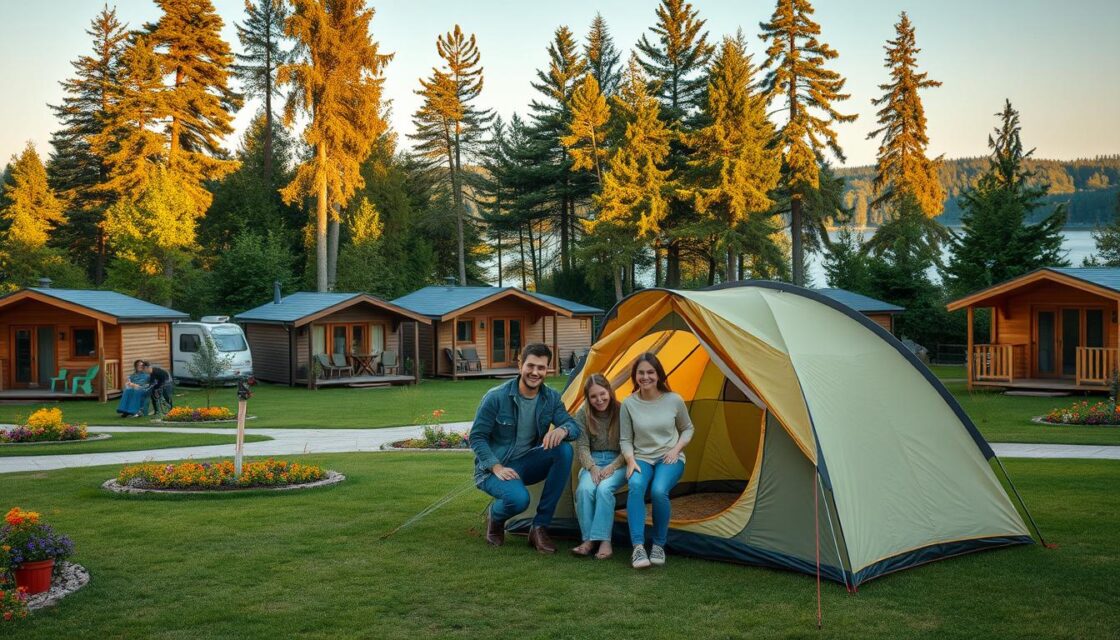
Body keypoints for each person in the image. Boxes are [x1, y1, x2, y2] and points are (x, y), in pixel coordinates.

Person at [470, 343, 581, 554]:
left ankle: (539, 527)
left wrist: (563, 430)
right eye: (530, 366)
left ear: (548, 369)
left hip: (527, 464)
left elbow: (574, 427)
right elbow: (477, 437)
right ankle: (496, 515)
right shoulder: (496, 397)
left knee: (564, 451)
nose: (535, 372)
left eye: (541, 367)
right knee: (519, 500)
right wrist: (496, 467)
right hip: (493, 469)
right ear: (520, 364)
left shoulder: (551, 398)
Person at [621, 352, 694, 569]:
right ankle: (638, 547)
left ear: (658, 374)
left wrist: (676, 449)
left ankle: (659, 544)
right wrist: (630, 460)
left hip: (669, 457)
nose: (645, 377)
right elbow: (625, 439)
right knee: (635, 485)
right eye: (641, 373)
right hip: (641, 458)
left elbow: (688, 428)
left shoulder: (674, 399)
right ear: (635, 376)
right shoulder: (628, 403)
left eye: (650, 372)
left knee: (658, 491)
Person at [570, 374, 626, 560]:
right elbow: (583, 446)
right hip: (592, 461)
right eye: (593, 396)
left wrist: (612, 466)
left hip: (618, 461)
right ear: (588, 397)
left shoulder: (622, 411)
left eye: (602, 394)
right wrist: (592, 467)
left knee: (604, 489)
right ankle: (588, 540)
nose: (599, 400)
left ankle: (604, 541)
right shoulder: (582, 413)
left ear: (609, 391)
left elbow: (629, 445)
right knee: (585, 490)